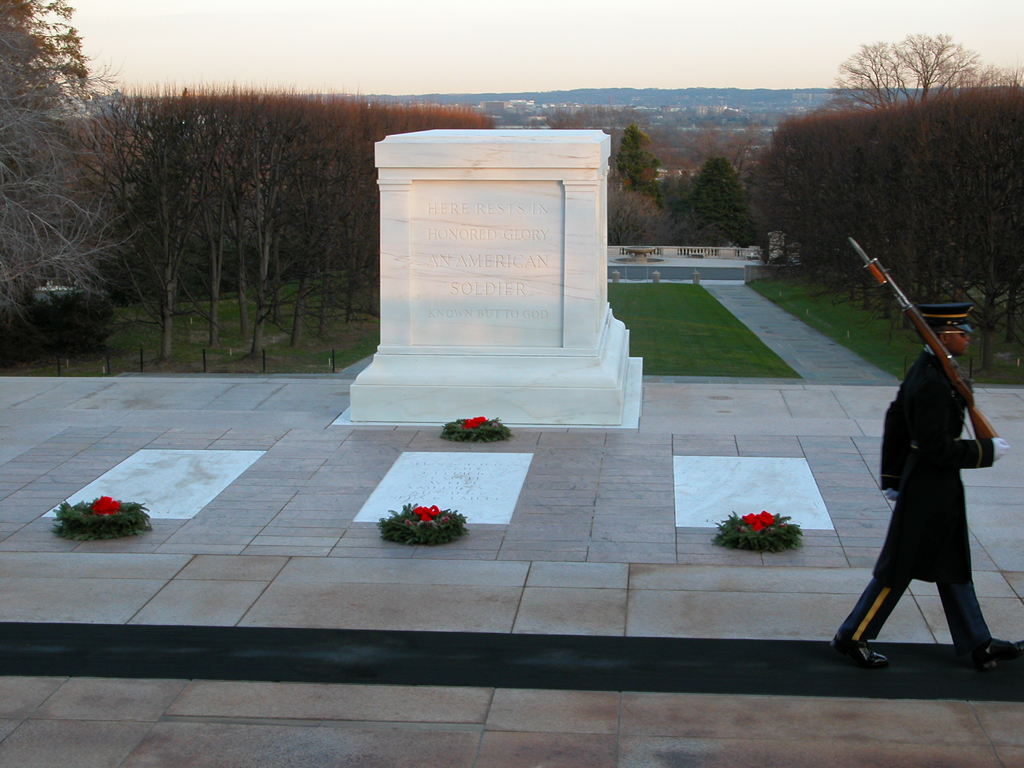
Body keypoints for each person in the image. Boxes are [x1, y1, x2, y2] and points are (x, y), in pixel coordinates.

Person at [832, 303, 1018, 670]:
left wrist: (893, 476)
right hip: (929, 488)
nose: (968, 338)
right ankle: (852, 636)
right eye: (962, 333)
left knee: (953, 565)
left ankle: (978, 643)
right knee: (898, 568)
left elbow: (897, 416)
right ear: (943, 336)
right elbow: (935, 446)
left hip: (934, 486)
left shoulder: (929, 369)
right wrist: (984, 451)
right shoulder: (933, 381)